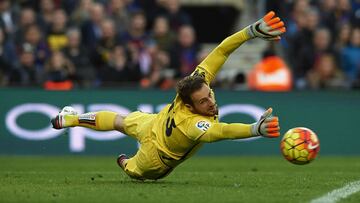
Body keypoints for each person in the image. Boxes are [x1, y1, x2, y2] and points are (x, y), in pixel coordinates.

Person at [51, 11, 285, 180]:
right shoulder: (192, 124)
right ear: (189, 105)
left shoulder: (197, 81)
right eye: (203, 102)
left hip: (156, 136)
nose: (211, 102)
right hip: (155, 154)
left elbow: (222, 50)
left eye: (209, 96)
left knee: (124, 134)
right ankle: (83, 130)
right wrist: (254, 129)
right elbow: (221, 131)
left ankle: (82, 129)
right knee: (126, 145)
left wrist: (251, 31)